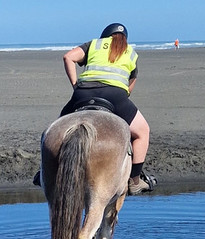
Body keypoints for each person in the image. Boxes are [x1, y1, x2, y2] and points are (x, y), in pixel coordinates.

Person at [59, 23, 156, 194]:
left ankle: (44, 170)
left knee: (57, 130)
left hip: (83, 94)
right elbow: (130, 86)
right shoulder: (131, 53)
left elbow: (68, 57)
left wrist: (76, 86)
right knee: (143, 132)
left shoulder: (94, 44)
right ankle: (134, 181)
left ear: (105, 35)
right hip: (114, 96)